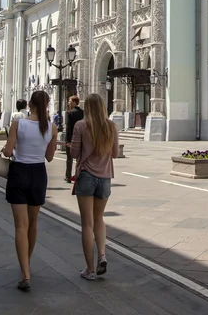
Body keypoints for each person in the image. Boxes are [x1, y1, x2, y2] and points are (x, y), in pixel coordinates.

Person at [2, 91, 57, 291]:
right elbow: (50, 157)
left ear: (30, 104)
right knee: (33, 223)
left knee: (20, 226)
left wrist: (7, 149)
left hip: (19, 173)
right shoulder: (52, 127)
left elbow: (8, 152)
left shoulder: (19, 124)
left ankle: (25, 273)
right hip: (38, 175)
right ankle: (27, 262)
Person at [71, 93, 119, 281]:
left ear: (88, 107)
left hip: (86, 177)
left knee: (87, 223)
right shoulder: (111, 126)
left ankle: (90, 269)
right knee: (99, 219)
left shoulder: (81, 125)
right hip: (105, 178)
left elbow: (75, 153)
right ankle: (102, 255)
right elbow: (115, 154)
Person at [65, 96, 84, 183]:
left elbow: (68, 127)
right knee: (79, 159)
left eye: (70, 101)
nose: (68, 103)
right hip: (81, 138)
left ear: (74, 102)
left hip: (72, 138)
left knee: (69, 158)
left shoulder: (70, 113)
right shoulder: (82, 112)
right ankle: (78, 175)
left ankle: (68, 176)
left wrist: (68, 141)